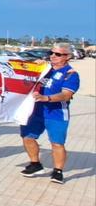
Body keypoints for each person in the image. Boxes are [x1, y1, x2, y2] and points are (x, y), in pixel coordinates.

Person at [19, 42, 80, 184]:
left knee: (57, 143)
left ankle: (58, 171)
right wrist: (33, 65)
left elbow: (66, 95)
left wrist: (46, 98)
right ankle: (35, 164)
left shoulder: (70, 74)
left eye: (58, 54)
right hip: (35, 111)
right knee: (27, 137)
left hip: (56, 113)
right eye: (51, 52)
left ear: (68, 56)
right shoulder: (44, 68)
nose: (53, 56)